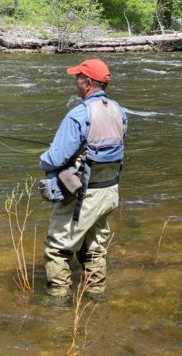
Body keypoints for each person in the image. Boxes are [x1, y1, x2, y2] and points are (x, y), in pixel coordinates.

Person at [39, 58, 128, 298]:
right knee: (94, 250)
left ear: (87, 83)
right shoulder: (118, 110)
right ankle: (96, 297)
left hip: (81, 196)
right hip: (109, 193)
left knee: (57, 250)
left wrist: (44, 156)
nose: (75, 83)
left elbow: (54, 159)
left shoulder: (78, 114)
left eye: (77, 78)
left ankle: (57, 305)